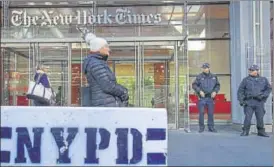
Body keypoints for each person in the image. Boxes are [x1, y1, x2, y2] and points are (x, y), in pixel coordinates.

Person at [82, 32, 129, 107]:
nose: (108, 49)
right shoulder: (96, 63)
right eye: (106, 46)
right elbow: (107, 85)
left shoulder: (96, 62)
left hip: (104, 103)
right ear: (99, 48)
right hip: (105, 105)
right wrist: (123, 91)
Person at [237, 64, 272, 137]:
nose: (254, 71)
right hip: (249, 101)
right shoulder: (246, 80)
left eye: (256, 70)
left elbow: (268, 89)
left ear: (258, 70)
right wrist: (241, 101)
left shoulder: (263, 79)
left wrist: (263, 96)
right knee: (248, 117)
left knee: (260, 117)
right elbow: (240, 91)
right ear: (249, 71)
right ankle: (245, 131)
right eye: (252, 70)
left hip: (259, 101)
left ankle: (261, 131)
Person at [192, 63, 220, 133]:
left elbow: (217, 85)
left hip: (210, 98)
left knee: (210, 113)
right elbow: (194, 85)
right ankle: (201, 127)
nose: (204, 69)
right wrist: (199, 91)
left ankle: (211, 127)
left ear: (209, 68)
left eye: (205, 68)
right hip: (202, 98)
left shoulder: (214, 76)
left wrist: (215, 92)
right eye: (203, 68)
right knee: (201, 113)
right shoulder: (199, 76)